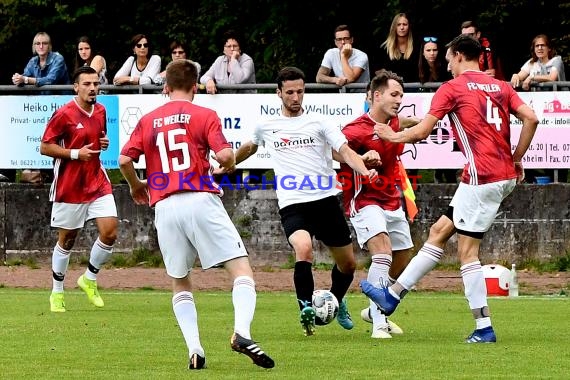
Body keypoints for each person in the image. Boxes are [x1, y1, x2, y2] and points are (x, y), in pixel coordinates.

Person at [363, 34, 539, 343]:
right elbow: (531, 118)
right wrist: (516, 158)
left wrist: (390, 138)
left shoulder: (452, 88)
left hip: (482, 178)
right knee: (439, 231)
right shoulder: (501, 86)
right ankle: (392, 295)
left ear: (459, 55)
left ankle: (484, 328)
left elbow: (421, 131)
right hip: (499, 177)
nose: (446, 64)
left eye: (448, 59)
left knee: (468, 253)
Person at [118, 59, 274, 370]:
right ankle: (241, 332)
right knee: (241, 271)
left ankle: (195, 350)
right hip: (200, 199)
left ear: (165, 87)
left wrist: (137, 186)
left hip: (164, 205)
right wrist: (227, 163)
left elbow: (124, 159)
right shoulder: (204, 114)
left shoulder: (148, 119)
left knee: (180, 281)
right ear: (196, 87)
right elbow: (226, 155)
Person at [227, 66, 377, 336]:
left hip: (325, 199)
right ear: (279, 93)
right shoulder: (267, 126)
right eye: (290, 92)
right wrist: (227, 164)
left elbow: (343, 151)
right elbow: (251, 146)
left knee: (348, 265)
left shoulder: (320, 123)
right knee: (303, 248)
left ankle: (335, 300)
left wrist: (364, 169)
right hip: (293, 202)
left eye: (300, 91)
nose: (296, 97)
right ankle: (306, 308)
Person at [339, 70, 414, 339]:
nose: (399, 100)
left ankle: (374, 308)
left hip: (392, 199)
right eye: (394, 95)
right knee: (382, 250)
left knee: (404, 256)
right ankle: (380, 322)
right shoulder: (355, 128)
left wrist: (426, 121)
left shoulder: (393, 122)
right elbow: (336, 151)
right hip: (365, 199)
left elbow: (406, 122)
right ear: (377, 95)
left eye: (401, 96)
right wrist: (360, 157)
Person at [40, 66, 118, 313]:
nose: (93, 88)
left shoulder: (102, 110)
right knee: (67, 239)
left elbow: (99, 137)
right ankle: (57, 291)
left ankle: (89, 279)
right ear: (76, 87)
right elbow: (45, 147)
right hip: (70, 185)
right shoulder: (64, 114)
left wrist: (102, 142)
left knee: (110, 232)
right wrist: (75, 153)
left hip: (96, 180)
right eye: (87, 84)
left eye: (96, 83)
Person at [418, 36, 456, 183]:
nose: (432, 53)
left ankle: (446, 175)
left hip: (443, 111)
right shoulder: (416, 68)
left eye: (434, 50)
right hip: (423, 111)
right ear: (423, 52)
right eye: (428, 50)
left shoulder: (446, 68)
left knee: (445, 142)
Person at [316, 24, 370, 92]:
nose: (343, 42)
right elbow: (319, 77)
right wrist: (335, 80)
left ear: (351, 40)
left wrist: (343, 56)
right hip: (343, 98)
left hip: (363, 97)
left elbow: (350, 78)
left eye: (346, 38)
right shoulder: (331, 53)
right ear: (335, 42)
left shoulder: (361, 56)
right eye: (339, 39)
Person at [372, 13, 419, 83]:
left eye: (405, 24)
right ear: (394, 27)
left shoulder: (417, 47)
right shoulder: (384, 48)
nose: (402, 27)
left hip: (414, 89)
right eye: (398, 24)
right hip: (390, 88)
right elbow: (377, 71)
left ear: (409, 26)